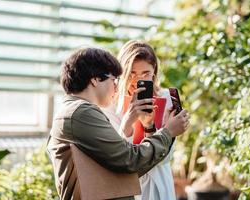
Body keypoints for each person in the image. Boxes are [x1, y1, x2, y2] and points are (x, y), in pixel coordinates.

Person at [46, 47, 190, 200]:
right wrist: (168, 132)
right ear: (95, 79)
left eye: (146, 73)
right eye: (113, 80)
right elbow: (129, 160)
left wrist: (150, 127)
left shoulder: (78, 111)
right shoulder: (82, 113)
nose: (116, 86)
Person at [102, 40, 181, 200]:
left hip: (161, 185)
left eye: (146, 74)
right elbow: (120, 157)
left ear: (154, 72)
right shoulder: (110, 107)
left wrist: (152, 126)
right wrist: (128, 121)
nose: (138, 80)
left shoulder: (166, 98)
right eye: (132, 73)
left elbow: (166, 156)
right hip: (130, 188)